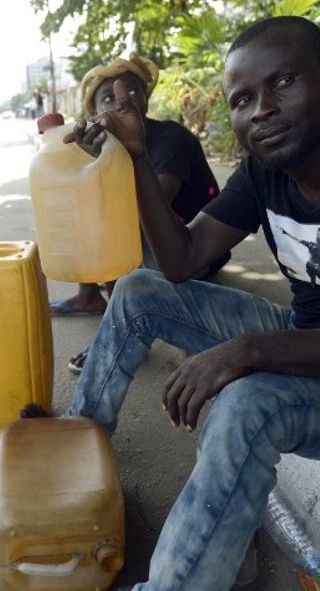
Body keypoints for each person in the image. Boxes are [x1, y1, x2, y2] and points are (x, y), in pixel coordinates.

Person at [32, 15, 320, 591]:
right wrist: (137, 156)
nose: (262, 110)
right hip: (304, 330)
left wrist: (249, 351)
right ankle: (80, 443)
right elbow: (180, 261)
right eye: (242, 99)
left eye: (284, 82)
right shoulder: (263, 172)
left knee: (249, 404)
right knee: (139, 290)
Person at [48, 53, 230, 374]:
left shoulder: (170, 139)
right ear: (94, 112)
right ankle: (88, 296)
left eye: (133, 90)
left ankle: (124, 333)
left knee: (111, 224)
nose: (125, 100)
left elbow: (149, 207)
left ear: (145, 98)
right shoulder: (104, 145)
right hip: (158, 251)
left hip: (194, 251)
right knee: (85, 211)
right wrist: (85, 161)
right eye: (109, 97)